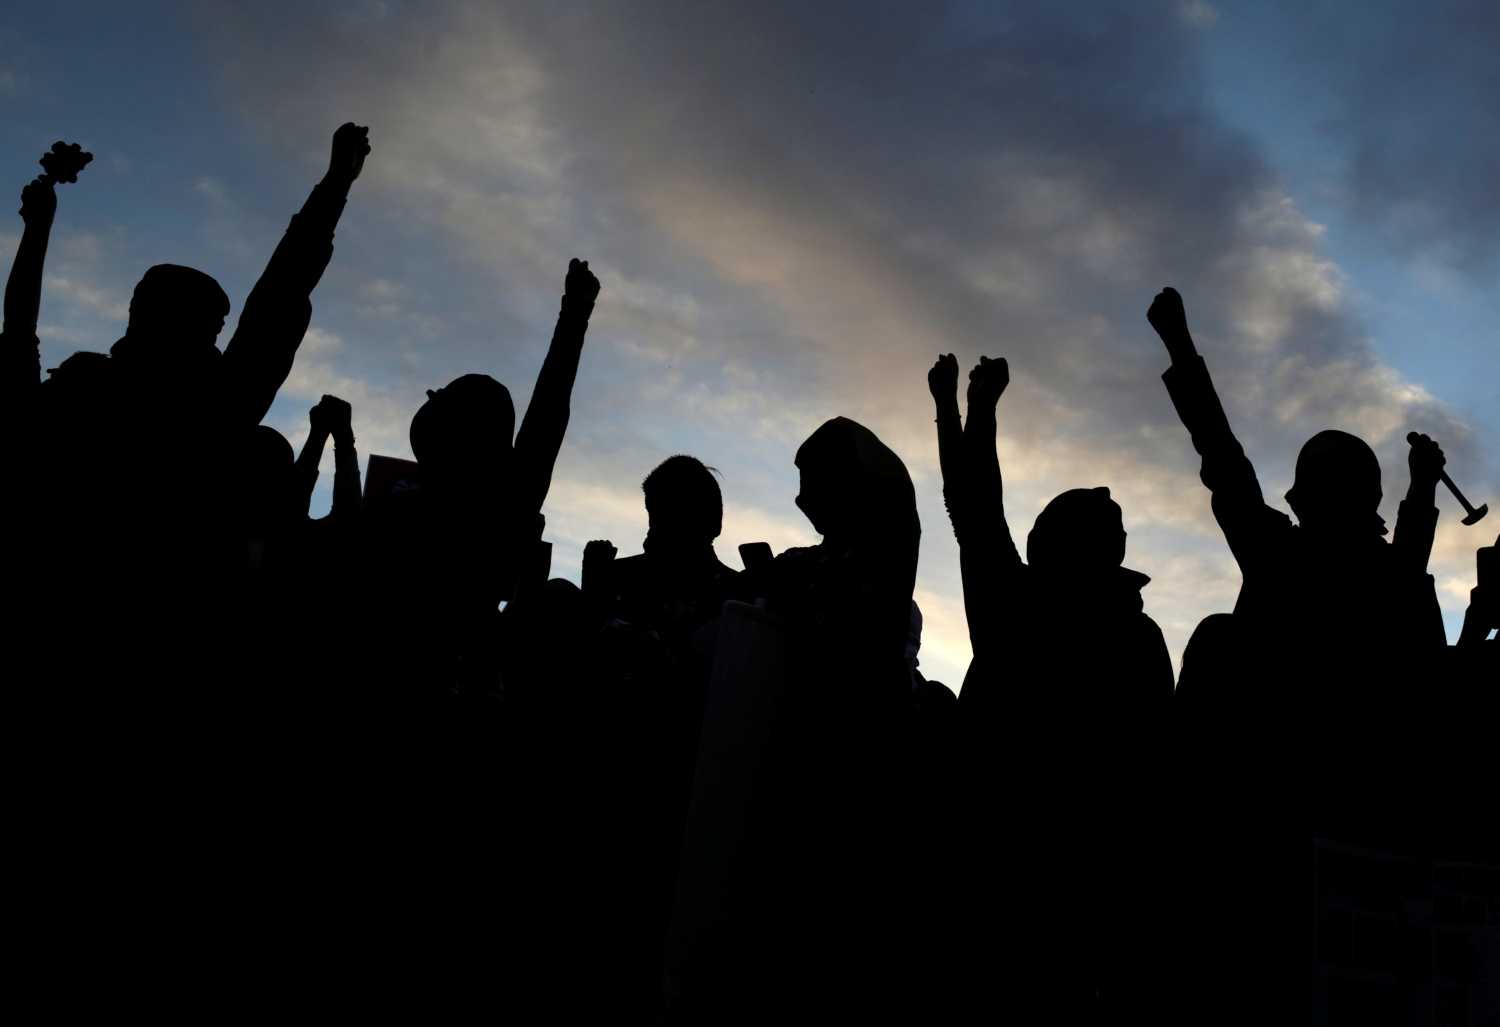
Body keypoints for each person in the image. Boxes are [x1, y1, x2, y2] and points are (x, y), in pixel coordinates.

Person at [928, 351, 1172, 1019]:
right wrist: (966, 408)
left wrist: (968, 408)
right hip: (1063, 887)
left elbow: (972, 509)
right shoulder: (1116, 631)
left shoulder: (1037, 614)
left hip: (1031, 881)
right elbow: (973, 508)